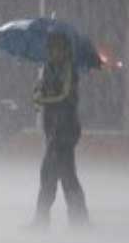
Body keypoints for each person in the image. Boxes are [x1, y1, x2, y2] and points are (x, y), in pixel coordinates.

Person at [27, 31, 89, 229]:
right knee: (58, 174)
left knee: (57, 174)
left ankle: (54, 220)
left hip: (65, 128)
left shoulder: (69, 69)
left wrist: (43, 98)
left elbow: (64, 96)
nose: (53, 53)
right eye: (51, 49)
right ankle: (75, 220)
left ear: (64, 50)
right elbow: (42, 90)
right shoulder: (48, 68)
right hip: (53, 127)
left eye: (57, 49)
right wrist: (38, 91)